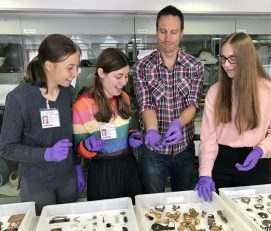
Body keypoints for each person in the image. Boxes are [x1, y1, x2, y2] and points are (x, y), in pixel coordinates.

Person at [194, 32, 271, 201]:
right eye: (223, 58)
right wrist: (205, 174)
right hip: (220, 161)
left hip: (254, 161)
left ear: (246, 59)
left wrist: (261, 150)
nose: (226, 65)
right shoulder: (215, 92)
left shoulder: (268, 90)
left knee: (251, 213)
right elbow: (208, 138)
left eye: (232, 59)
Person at [0, 34, 85, 215]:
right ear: (49, 65)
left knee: (71, 223)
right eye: (70, 67)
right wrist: (46, 153)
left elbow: (70, 134)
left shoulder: (66, 91)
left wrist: (77, 165)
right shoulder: (19, 98)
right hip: (37, 181)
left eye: (77, 66)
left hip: (66, 176)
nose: (75, 73)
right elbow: (7, 148)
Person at [133, 5, 204, 193]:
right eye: (163, 31)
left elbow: (193, 103)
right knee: (152, 203)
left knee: (184, 200)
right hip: (153, 151)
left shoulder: (195, 66)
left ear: (181, 33)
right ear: (156, 31)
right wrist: (153, 130)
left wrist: (179, 123)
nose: (167, 38)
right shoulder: (142, 67)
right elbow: (146, 103)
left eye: (173, 32)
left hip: (184, 148)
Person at [73, 48, 143, 201]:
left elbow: (125, 130)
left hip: (128, 165)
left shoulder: (124, 98)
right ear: (101, 72)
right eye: (118, 76)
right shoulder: (83, 105)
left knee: (132, 214)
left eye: (126, 76)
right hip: (102, 170)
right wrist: (88, 146)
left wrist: (132, 136)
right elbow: (78, 147)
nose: (124, 82)